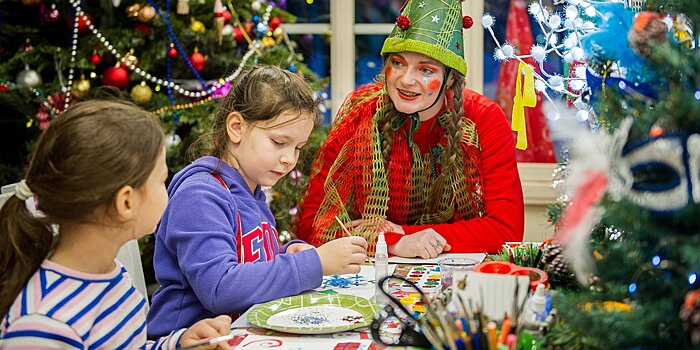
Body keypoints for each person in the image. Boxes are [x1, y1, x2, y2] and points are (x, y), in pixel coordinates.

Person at [147, 65, 367, 337]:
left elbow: (248, 255)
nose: (289, 158)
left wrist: (287, 252)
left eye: (297, 148)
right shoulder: (200, 196)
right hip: (186, 339)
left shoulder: (251, 189)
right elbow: (220, 288)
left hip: (239, 334)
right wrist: (315, 263)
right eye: (278, 142)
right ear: (237, 128)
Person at [294, 0, 524, 257]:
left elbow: (506, 231)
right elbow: (310, 224)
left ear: (450, 80)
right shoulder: (359, 113)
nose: (406, 80)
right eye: (399, 63)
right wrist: (393, 243)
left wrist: (403, 233)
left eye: (425, 69)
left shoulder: (483, 119)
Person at [0, 100, 233, 349]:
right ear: (126, 202)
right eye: (162, 180)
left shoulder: (112, 272)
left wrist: (176, 344)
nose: (167, 190)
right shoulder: (42, 327)